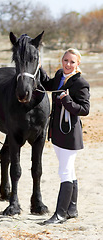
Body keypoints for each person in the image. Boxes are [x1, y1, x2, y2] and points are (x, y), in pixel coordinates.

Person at [39, 48, 90, 224]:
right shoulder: (61, 75)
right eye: (65, 60)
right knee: (70, 170)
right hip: (57, 132)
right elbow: (48, 85)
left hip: (70, 134)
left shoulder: (80, 83)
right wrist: (39, 68)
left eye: (72, 62)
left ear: (78, 64)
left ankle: (60, 214)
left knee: (65, 172)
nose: (68, 64)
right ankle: (72, 209)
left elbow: (85, 109)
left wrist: (67, 101)